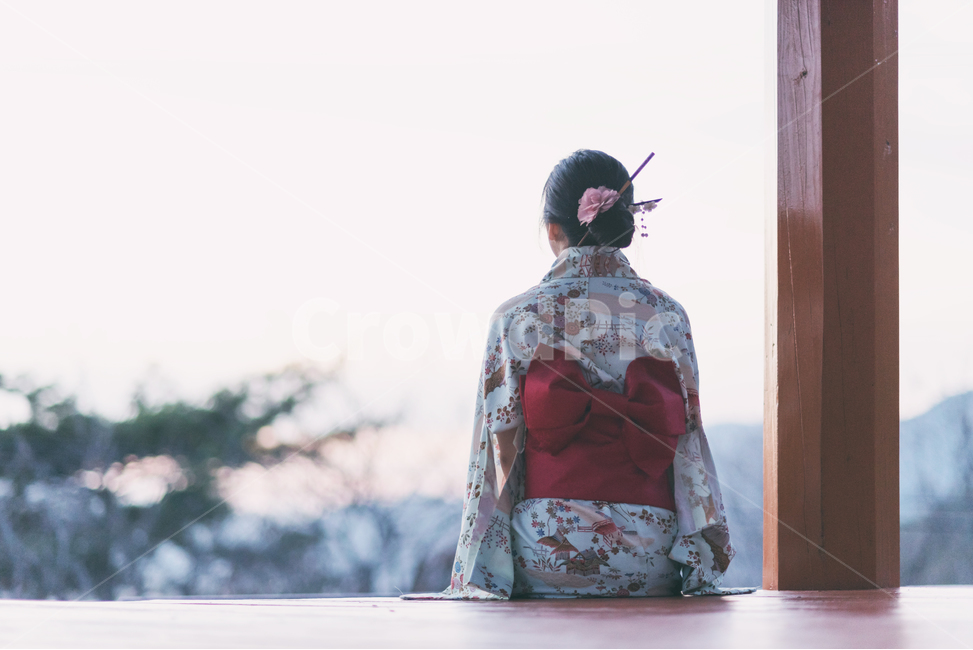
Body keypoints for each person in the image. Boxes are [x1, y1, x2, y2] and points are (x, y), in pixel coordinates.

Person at [416, 149, 748, 600]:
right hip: (652, 555)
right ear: (625, 225)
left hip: (548, 551)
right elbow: (687, 439)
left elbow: (495, 452)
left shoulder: (516, 318)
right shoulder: (667, 316)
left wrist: (479, 577)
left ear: (553, 231)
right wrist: (700, 557)